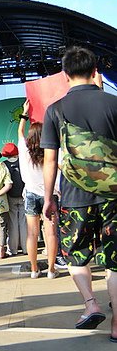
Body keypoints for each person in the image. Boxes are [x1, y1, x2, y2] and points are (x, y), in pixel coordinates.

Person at [42, 46, 117, 339]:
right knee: (115, 262)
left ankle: (90, 304)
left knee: (76, 256)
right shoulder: (113, 103)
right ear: (94, 70)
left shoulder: (55, 110)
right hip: (114, 195)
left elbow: (50, 160)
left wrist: (49, 198)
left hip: (75, 197)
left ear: (65, 73)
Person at [18, 103, 58, 278]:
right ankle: (51, 269)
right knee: (51, 233)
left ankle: (34, 269)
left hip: (31, 194)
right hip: (50, 195)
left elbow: (20, 133)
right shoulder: (50, 151)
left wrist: (25, 114)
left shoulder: (25, 151)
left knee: (32, 234)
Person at [1, 142, 28, 257]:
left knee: (12, 223)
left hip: (10, 196)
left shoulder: (3, 164)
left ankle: (13, 249)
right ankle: (26, 247)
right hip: (23, 195)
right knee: (24, 222)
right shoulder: (23, 161)